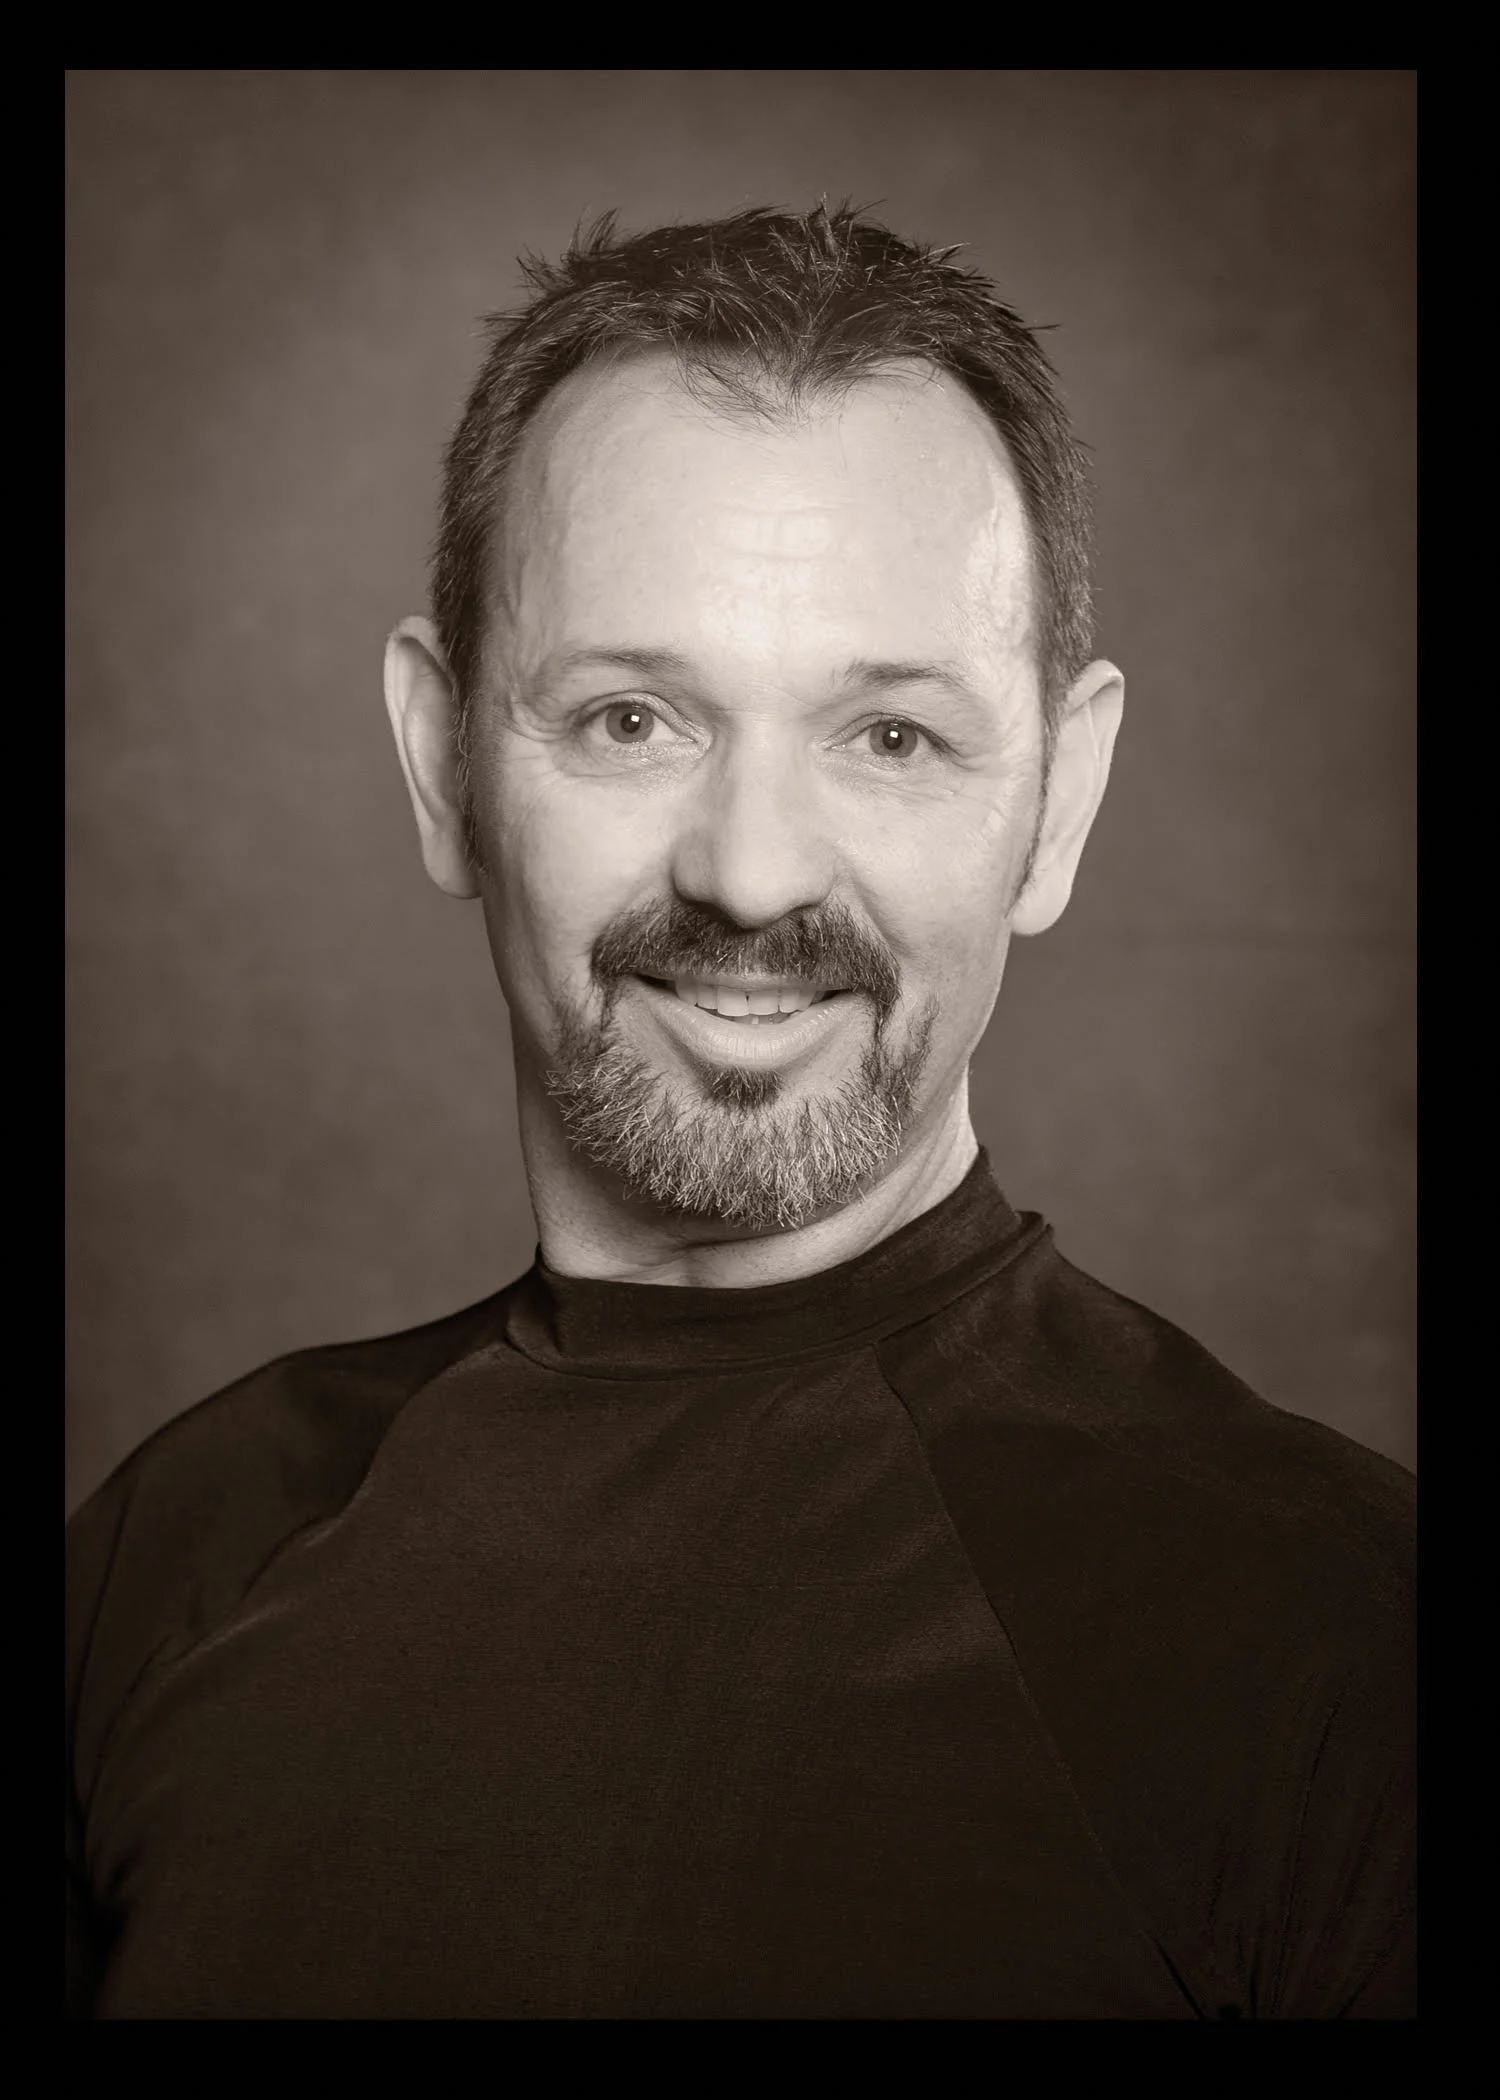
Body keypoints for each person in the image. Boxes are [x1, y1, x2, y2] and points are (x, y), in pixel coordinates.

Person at [66, 204, 1415, 2021]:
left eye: (891, 737)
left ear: (1061, 802)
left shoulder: (1346, 1656)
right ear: (440, 761)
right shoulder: (174, 1553)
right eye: (632, 719)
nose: (755, 872)